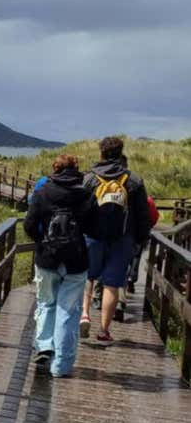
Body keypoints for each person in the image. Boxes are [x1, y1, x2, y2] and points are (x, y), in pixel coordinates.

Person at [24, 154, 98, 377]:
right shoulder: (85, 194)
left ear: (55, 169)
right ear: (76, 169)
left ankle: (45, 346)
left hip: (47, 259)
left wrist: (42, 241)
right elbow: (94, 227)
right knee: (68, 311)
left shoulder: (42, 192)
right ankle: (61, 366)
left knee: (46, 303)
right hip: (76, 261)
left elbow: (29, 224)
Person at [81, 137, 151, 344]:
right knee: (112, 284)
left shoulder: (90, 179)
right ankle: (103, 330)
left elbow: (80, 211)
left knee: (88, 276)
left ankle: (84, 314)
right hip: (122, 239)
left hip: (92, 237)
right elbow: (143, 216)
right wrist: (139, 241)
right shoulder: (134, 181)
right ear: (121, 153)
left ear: (101, 152)